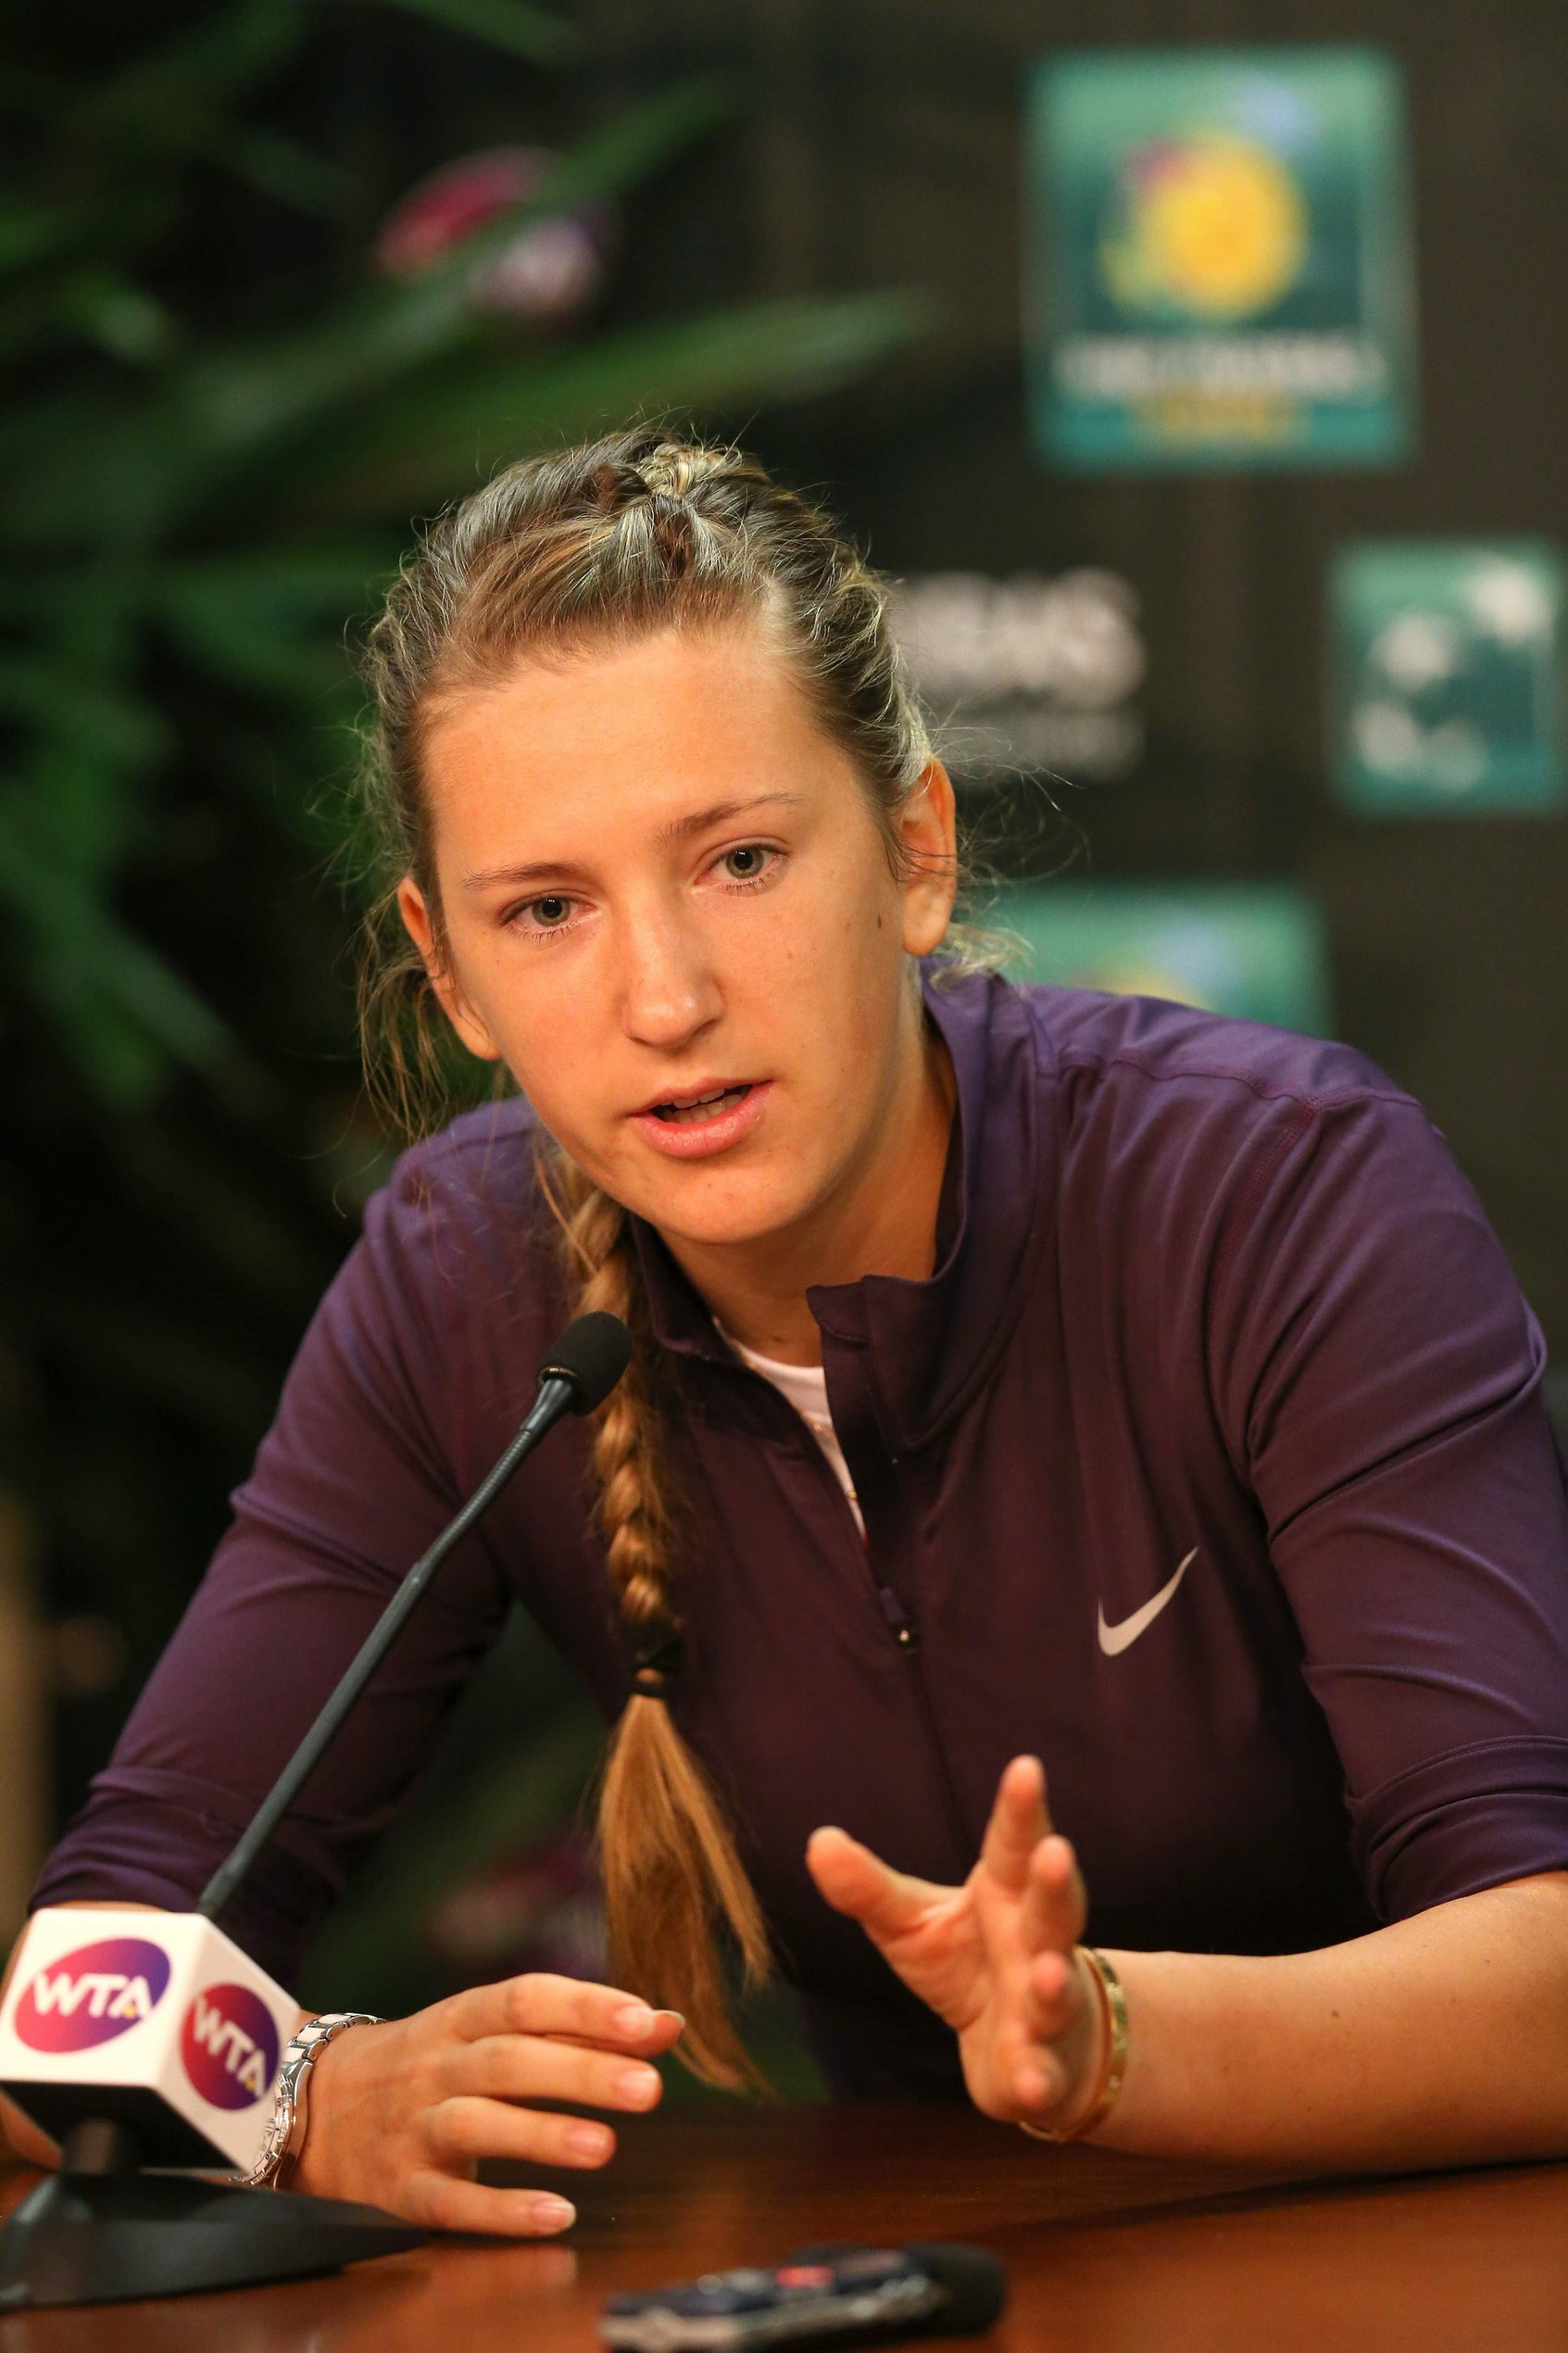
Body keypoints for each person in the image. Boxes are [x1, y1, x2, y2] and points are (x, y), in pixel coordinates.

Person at [7, 428, 1568, 2233]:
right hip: (926, 2277)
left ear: (914, 851)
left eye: (740, 860)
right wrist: (292, 2100)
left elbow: (1541, 1969)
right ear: (450, 974)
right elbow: (86, 1975)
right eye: (547, 910)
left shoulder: (1273, 1189)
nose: (663, 997)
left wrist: (1106, 2045)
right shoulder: (459, 1280)